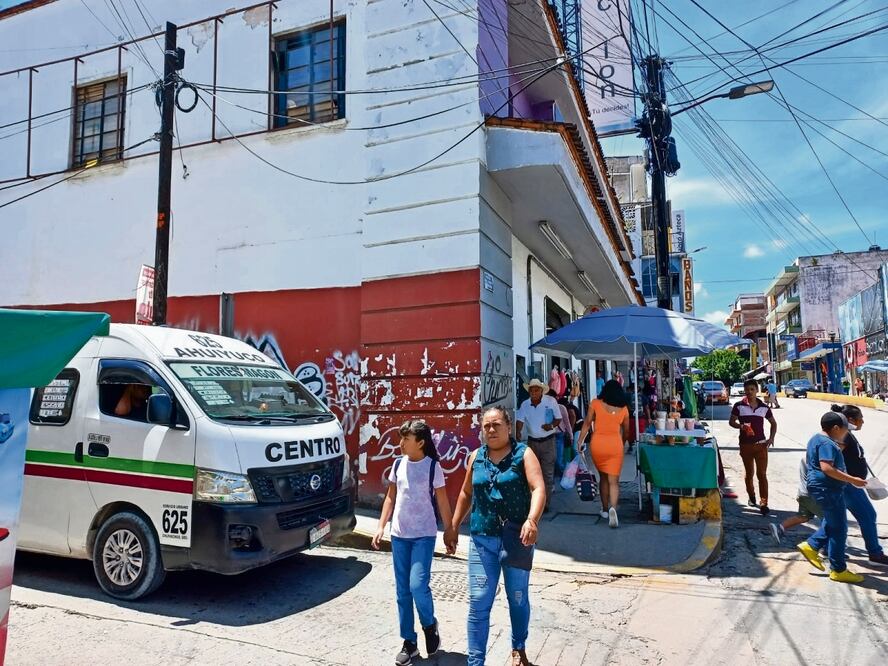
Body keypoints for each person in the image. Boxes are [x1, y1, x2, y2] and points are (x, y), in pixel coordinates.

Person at [447, 406, 545, 666]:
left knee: (517, 597)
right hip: (482, 538)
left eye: (496, 424)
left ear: (508, 426)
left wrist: (532, 520)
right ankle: (475, 661)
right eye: (486, 425)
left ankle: (518, 647)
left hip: (517, 539)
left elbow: (538, 488)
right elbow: (467, 493)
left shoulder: (524, 454)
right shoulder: (476, 457)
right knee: (478, 602)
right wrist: (454, 525)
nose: (491, 430)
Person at [372, 420, 457, 665]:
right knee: (402, 592)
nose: (400, 443)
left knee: (418, 585)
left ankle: (430, 625)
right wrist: (380, 526)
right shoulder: (397, 465)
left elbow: (442, 502)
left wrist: (450, 530)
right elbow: (390, 498)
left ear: (420, 443)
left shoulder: (433, 467)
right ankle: (409, 643)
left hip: (423, 535)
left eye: (405, 439)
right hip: (399, 535)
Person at [796, 411, 868, 583]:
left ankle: (812, 546)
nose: (846, 433)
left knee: (833, 523)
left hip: (825, 488)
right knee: (839, 528)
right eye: (845, 430)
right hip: (826, 488)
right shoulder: (827, 443)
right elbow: (827, 468)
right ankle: (837, 568)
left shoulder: (817, 439)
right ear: (836, 428)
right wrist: (852, 480)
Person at [821, 405, 887, 565]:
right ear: (850, 420)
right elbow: (833, 456)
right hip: (848, 486)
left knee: (833, 518)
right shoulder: (844, 436)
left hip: (846, 484)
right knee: (868, 515)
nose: (862, 421)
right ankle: (875, 553)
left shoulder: (847, 434)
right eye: (860, 418)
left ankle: (827, 548)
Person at [576, 379, 630, 528]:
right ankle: (613, 508)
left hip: (598, 444)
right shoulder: (624, 409)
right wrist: (622, 442)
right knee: (614, 481)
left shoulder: (595, 404)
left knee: (603, 478)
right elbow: (626, 431)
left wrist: (580, 441)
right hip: (615, 445)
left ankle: (605, 510)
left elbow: (586, 423)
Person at [729, 379, 777, 515]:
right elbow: (731, 421)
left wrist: (771, 438)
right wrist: (741, 426)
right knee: (749, 473)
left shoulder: (764, 407)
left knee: (761, 474)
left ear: (757, 390)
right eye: (747, 390)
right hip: (745, 445)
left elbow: (773, 423)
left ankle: (764, 503)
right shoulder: (738, 406)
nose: (749, 392)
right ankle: (751, 496)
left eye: (752, 389)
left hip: (761, 445)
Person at [515, 378, 560, 510]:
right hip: (532, 442)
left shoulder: (551, 401)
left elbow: (559, 419)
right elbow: (520, 420)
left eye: (536, 390)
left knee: (547, 474)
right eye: (531, 390)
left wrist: (551, 425)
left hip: (548, 441)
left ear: (541, 391)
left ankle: (545, 504)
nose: (533, 392)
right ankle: (534, 502)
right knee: (532, 473)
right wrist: (518, 432)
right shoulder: (525, 404)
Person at [769, 456, 824, 544]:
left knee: (803, 517)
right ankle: (823, 544)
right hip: (812, 495)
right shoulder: (816, 459)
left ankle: (779, 527)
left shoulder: (806, 458)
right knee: (828, 519)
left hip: (803, 493)